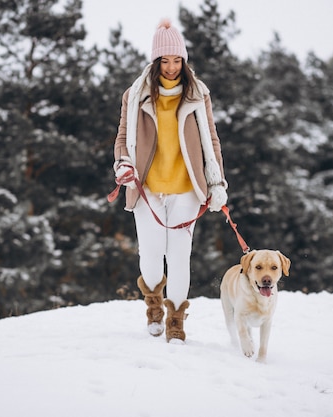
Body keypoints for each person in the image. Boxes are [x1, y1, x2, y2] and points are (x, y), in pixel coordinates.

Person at [113, 18, 228, 344]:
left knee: (179, 257)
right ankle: (153, 307)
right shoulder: (134, 96)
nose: (172, 67)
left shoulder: (197, 94)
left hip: (186, 189)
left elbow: (212, 141)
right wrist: (123, 164)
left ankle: (176, 320)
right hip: (147, 189)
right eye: (166, 60)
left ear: (184, 61)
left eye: (177, 60)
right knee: (150, 256)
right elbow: (123, 137)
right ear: (155, 62)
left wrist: (217, 183)